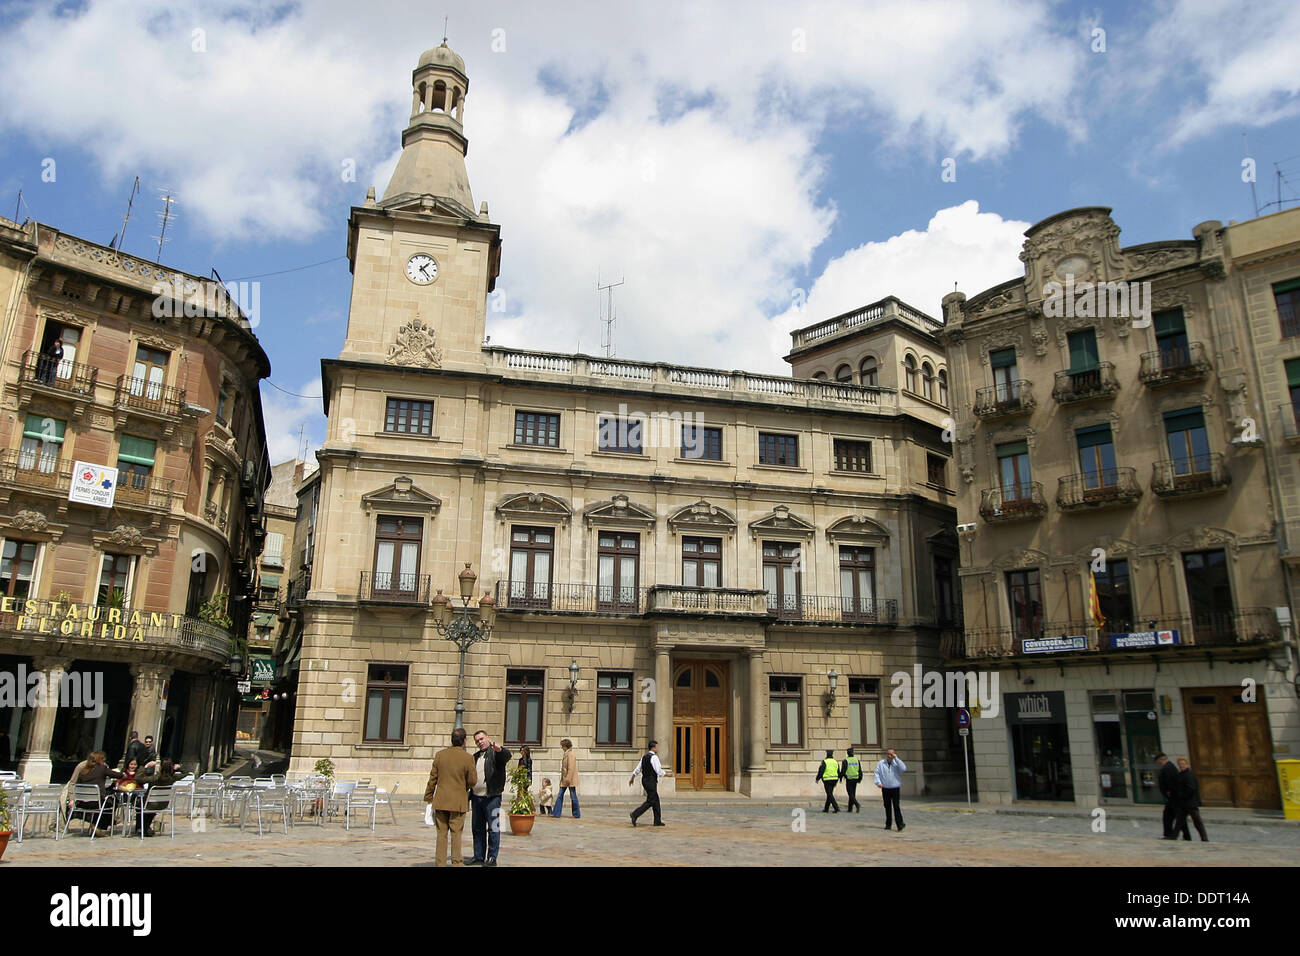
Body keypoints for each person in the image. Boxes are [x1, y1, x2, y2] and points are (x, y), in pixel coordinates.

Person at [424, 728, 477, 867]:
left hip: (441, 800)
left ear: (451, 740)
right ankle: (456, 863)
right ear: (464, 741)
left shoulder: (440, 755)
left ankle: (440, 863)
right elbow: (472, 781)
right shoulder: (468, 758)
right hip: (458, 801)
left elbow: (432, 778)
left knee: (441, 834)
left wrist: (429, 796)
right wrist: (462, 786)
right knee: (456, 834)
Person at [469, 729, 511, 866]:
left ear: (488, 738)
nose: (479, 742)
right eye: (477, 741)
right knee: (477, 828)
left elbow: (507, 756)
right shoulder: (475, 756)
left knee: (493, 828)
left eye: (481, 739)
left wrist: (500, 750)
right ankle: (478, 855)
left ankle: (492, 857)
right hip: (476, 798)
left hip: (492, 797)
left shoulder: (496, 754)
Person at [136, 756, 184, 836]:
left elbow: (138, 778)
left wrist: (145, 767)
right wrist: (179, 768)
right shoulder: (173, 778)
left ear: (161, 767)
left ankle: (141, 828)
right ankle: (145, 828)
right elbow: (188, 773)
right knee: (150, 807)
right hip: (163, 804)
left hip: (149, 804)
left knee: (139, 804)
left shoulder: (155, 778)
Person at [629, 740, 666, 827]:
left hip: (645, 780)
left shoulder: (644, 757)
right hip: (651, 781)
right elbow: (658, 770)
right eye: (657, 746)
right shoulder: (654, 757)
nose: (658, 748)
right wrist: (666, 774)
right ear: (653, 747)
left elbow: (638, 769)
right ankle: (635, 814)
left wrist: (632, 778)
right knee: (651, 801)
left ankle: (657, 820)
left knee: (655, 800)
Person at [1174, 756, 1209, 843]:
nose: (1181, 766)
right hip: (1184, 802)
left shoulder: (1189, 775)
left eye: (1182, 764)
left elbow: (1191, 788)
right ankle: (1174, 836)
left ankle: (1204, 838)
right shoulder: (1181, 774)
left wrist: (1182, 795)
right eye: (1179, 764)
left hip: (1190, 802)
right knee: (1179, 820)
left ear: (1187, 764)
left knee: (1197, 821)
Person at [873, 748, 907, 831]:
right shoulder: (881, 763)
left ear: (894, 755)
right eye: (888, 754)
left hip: (895, 787)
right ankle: (888, 824)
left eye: (891, 754)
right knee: (887, 806)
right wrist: (878, 782)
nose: (889, 756)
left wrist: (896, 759)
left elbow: (903, 769)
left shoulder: (896, 763)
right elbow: (877, 773)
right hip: (885, 788)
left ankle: (900, 824)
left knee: (896, 806)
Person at [1156, 753, 1182, 839]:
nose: (1158, 763)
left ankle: (1171, 834)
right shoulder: (1169, 767)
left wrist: (1169, 791)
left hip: (1172, 797)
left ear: (1161, 760)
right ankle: (1170, 834)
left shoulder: (1168, 767)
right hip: (1172, 797)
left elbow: (1171, 780)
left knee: (1171, 816)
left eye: (1158, 761)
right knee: (1171, 816)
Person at [553, 738, 581, 818]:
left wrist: (568, 779)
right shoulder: (566, 754)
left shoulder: (570, 754)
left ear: (566, 746)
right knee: (560, 795)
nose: (562, 747)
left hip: (569, 779)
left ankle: (576, 814)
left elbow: (571, 768)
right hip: (565, 779)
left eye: (562, 746)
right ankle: (556, 813)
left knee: (573, 796)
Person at [842, 747, 863, 812]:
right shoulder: (857, 760)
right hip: (855, 779)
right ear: (853, 753)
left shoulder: (846, 760)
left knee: (850, 794)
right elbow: (860, 770)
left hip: (849, 779)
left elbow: (843, 771)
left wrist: (844, 777)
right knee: (852, 794)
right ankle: (850, 808)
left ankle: (857, 804)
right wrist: (860, 778)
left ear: (847, 753)